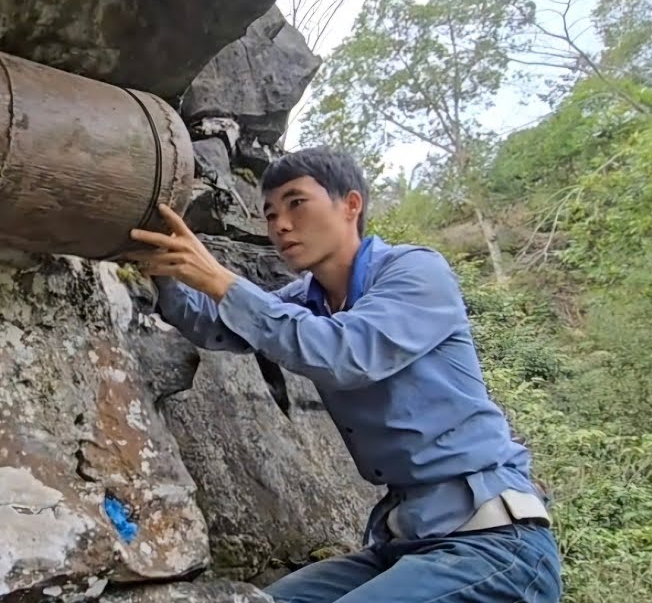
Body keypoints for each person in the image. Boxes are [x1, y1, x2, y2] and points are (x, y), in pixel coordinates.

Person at [126, 145, 563, 603]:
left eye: (296, 203)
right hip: (405, 545)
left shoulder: (414, 271)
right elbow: (220, 326)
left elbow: (344, 354)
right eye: (270, 214)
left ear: (351, 205)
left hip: (493, 545)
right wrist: (161, 267)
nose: (280, 225)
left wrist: (220, 279)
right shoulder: (306, 300)